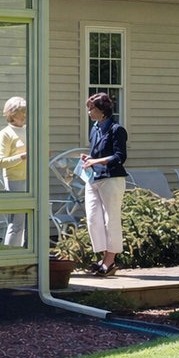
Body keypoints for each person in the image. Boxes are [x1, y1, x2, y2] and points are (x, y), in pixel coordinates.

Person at [81, 92, 128, 275]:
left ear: (102, 110)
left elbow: (119, 157)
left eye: (91, 108)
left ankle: (110, 261)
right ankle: (103, 257)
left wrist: (96, 161)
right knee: (93, 219)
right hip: (94, 178)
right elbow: (98, 155)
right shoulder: (94, 128)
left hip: (112, 179)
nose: (89, 112)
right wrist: (90, 159)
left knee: (111, 220)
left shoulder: (117, 130)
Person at [0, 96, 28, 247]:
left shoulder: (29, 130)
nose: (24, 116)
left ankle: (25, 255)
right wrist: (22, 156)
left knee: (29, 223)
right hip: (15, 181)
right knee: (16, 222)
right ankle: (9, 255)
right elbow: (1, 162)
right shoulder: (6, 133)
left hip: (32, 179)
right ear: (12, 114)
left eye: (25, 112)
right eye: (21, 113)